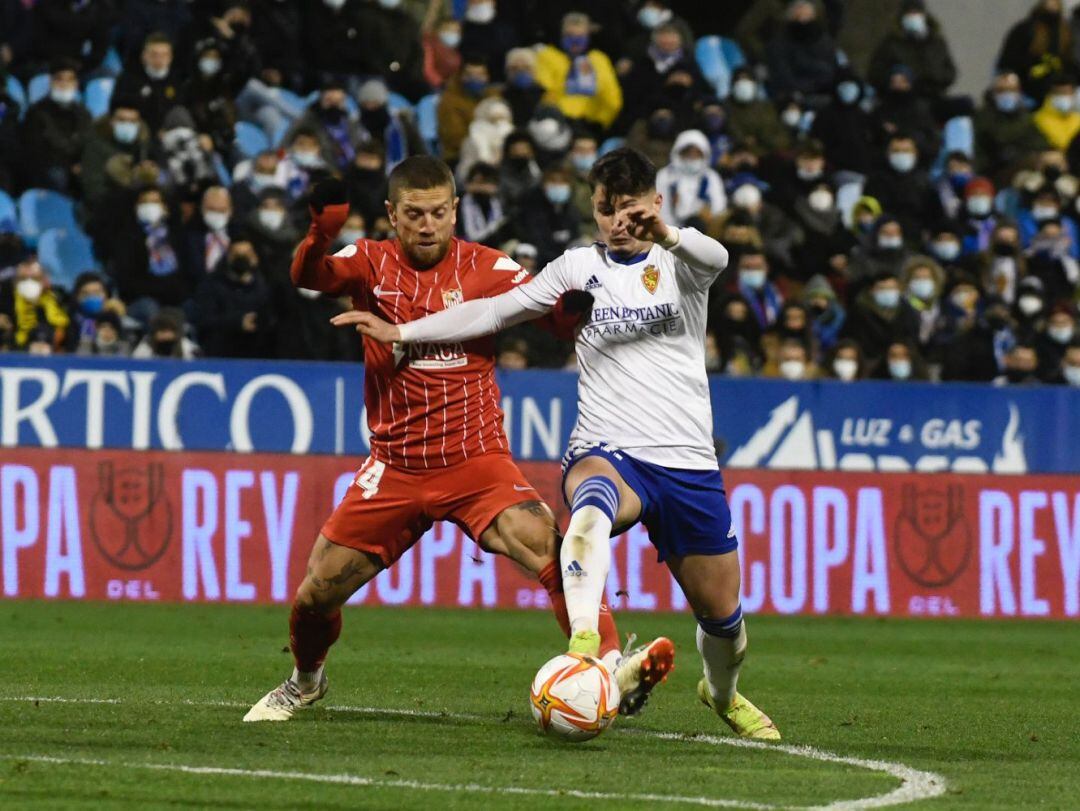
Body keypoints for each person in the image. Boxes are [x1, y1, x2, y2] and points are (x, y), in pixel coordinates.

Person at [335, 147, 780, 739]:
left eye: (631, 210)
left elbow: (718, 255)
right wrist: (402, 331)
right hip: (607, 448)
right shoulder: (575, 268)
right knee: (590, 507)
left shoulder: (681, 262)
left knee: (724, 620)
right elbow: (492, 312)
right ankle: (586, 647)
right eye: (606, 210)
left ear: (655, 204)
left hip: (686, 462)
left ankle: (721, 694)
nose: (618, 222)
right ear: (593, 210)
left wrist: (667, 234)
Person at [244, 157, 665, 722]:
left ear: (455, 210)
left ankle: (612, 669)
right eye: (414, 214)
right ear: (392, 214)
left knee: (553, 550)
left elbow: (550, 317)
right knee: (315, 594)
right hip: (396, 466)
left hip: (476, 462)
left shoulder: (490, 267)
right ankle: (305, 681)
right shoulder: (368, 261)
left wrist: (568, 314)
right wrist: (321, 234)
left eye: (439, 213)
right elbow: (309, 276)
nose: (427, 225)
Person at [535, 12, 623, 132]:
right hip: (556, 122)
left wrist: (601, 122)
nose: (575, 40)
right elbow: (543, 91)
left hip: (590, 123)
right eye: (570, 35)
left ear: (588, 37)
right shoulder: (547, 56)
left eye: (580, 36)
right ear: (561, 35)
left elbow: (612, 97)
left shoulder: (598, 59)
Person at [20, 57, 92, 192]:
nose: (64, 84)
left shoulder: (83, 113)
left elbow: (87, 143)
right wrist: (69, 166)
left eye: (69, 80)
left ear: (76, 84)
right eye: (59, 79)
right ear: (51, 82)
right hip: (49, 170)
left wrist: (81, 165)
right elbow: (34, 153)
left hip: (75, 168)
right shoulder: (36, 113)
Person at [867, 0, 956, 100]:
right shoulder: (891, 44)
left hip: (934, 96)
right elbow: (875, 73)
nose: (913, 17)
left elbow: (950, 71)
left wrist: (936, 77)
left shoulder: (936, 42)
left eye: (916, 13)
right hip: (901, 99)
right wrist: (895, 80)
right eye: (909, 13)